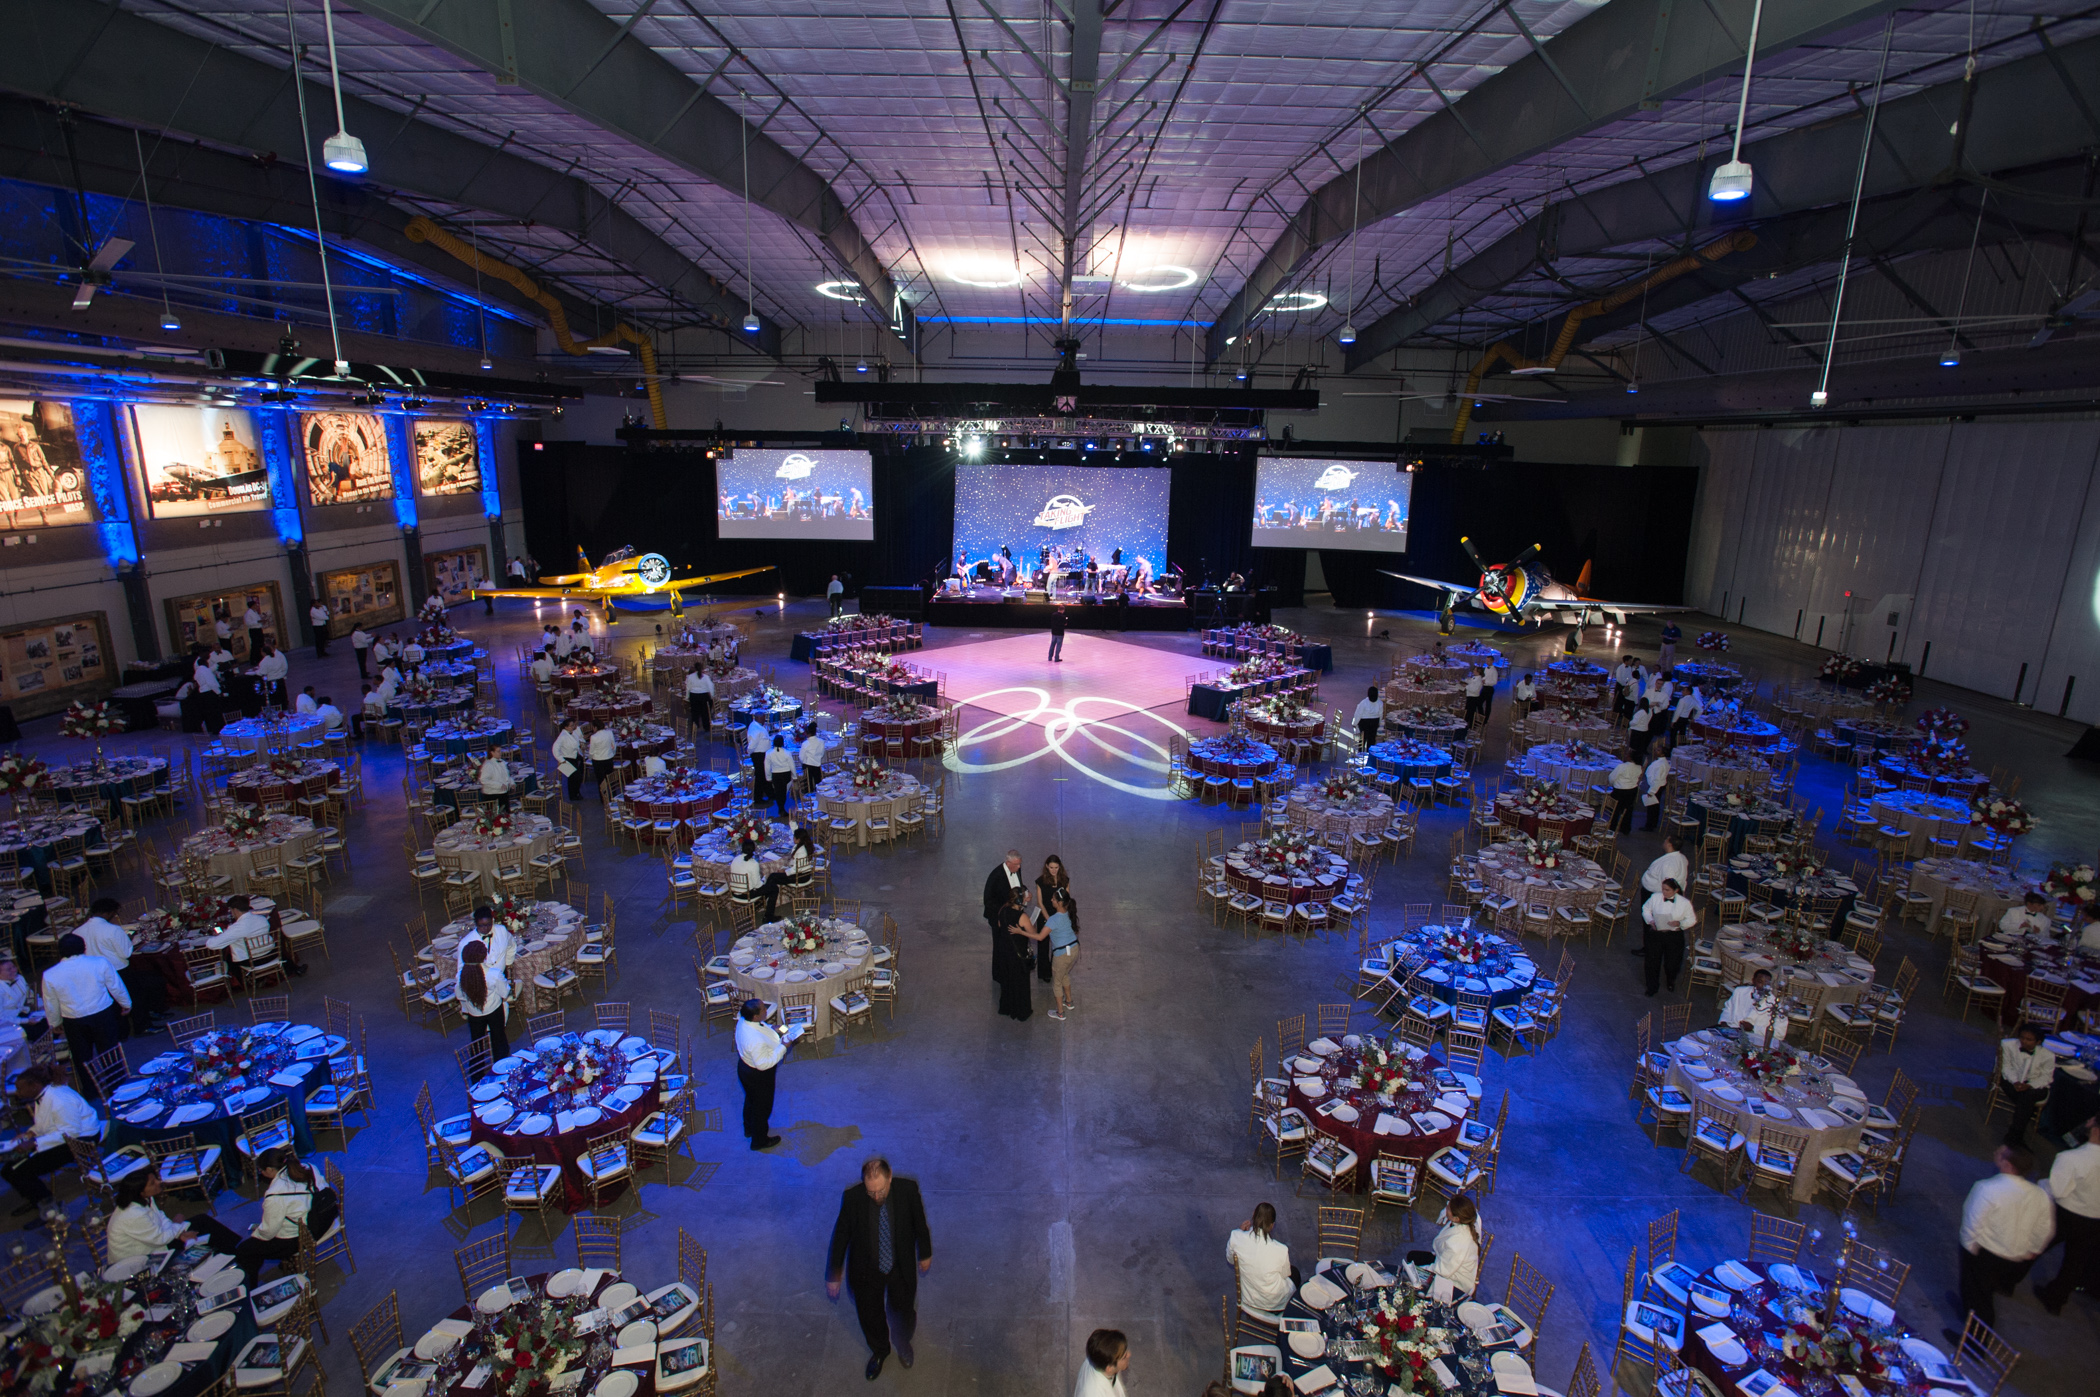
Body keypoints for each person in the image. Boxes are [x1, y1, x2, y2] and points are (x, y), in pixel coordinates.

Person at [825, 1157, 933, 1379]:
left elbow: (919, 1223)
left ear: (890, 1177)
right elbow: (841, 1236)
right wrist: (833, 1272)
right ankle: (880, 1350)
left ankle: (902, 1344)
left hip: (899, 1267)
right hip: (866, 1271)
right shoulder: (853, 1198)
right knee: (870, 1315)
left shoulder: (908, 1190)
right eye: (871, 1192)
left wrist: (925, 1252)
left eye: (880, 1190)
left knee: (903, 1311)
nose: (876, 1196)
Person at [1948, 1145, 2054, 1338]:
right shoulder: (2039, 1195)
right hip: (2015, 1256)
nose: (1997, 1152)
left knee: (1980, 1298)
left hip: (1986, 1253)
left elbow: (1973, 1222)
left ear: (2007, 1164)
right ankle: (1969, 1316)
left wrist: (1969, 1248)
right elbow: (2044, 1228)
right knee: (1983, 1292)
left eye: (2002, 1153)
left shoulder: (1987, 1188)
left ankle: (1975, 1344)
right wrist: (2033, 1250)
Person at [2, 1065, 101, 1220]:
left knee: (19, 1171)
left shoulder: (59, 1098)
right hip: (62, 1137)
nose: (18, 1093)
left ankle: (49, 1208)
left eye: (20, 1089)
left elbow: (71, 1131)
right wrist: (31, 1132)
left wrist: (34, 1143)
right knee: (9, 1169)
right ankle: (36, 1198)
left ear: (34, 1086)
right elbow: (47, 1123)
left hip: (81, 1140)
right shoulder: (43, 1094)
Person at [39, 933, 129, 1092]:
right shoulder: (99, 962)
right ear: (84, 948)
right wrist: (125, 1003)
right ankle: (116, 1085)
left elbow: (51, 1002)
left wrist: (54, 1023)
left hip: (73, 1019)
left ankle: (91, 1089)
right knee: (109, 1051)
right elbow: (116, 986)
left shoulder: (50, 975)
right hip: (102, 1014)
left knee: (82, 1057)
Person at [233, 1147, 326, 1285]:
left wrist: (257, 1231)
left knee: (245, 1250)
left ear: (270, 1170)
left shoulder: (274, 1195)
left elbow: (268, 1233)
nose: (261, 1173)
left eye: (261, 1170)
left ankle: (249, 1289)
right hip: (322, 1219)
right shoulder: (308, 1167)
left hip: (298, 1238)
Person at [2037, 1114, 2100, 1313]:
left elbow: (2058, 1191)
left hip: (2067, 1213)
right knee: (2075, 1262)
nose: (2088, 1121)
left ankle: (2007, 1280)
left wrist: (2040, 1185)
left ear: (2096, 1129)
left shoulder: (2071, 1158)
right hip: (2095, 1218)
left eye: (2092, 1120)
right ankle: (2056, 1300)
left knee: (2038, 1244)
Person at [77, 897, 166, 1035]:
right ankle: (142, 1026)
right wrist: (130, 941)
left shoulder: (78, 932)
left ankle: (122, 1030)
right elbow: (125, 953)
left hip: (93, 972)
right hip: (118, 969)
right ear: (108, 913)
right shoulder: (113, 930)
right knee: (134, 996)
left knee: (112, 1001)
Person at [107, 1171, 240, 1262]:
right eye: (153, 1183)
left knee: (202, 1221)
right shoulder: (133, 1215)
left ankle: (234, 1251)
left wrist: (178, 1231)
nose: (159, 1182)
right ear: (141, 1192)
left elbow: (160, 1217)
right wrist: (177, 1227)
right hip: (144, 1258)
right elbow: (161, 1239)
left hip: (157, 1240)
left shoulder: (146, 1199)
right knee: (202, 1233)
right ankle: (231, 1255)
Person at [736, 999, 790, 1149]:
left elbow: (761, 1028)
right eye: (763, 1010)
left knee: (751, 1100)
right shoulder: (754, 1040)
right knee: (762, 1108)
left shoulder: (744, 1020)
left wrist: (774, 1029)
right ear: (755, 1016)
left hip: (745, 1068)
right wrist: (784, 1047)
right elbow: (764, 1063)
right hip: (758, 1076)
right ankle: (759, 1141)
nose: (766, 1010)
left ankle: (749, 1129)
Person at [1405, 1194, 1482, 1296]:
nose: (1445, 1208)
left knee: (1410, 1277)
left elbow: (1442, 1271)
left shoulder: (1458, 1243)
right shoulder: (1465, 1219)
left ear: (1456, 1218)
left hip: (1454, 1282)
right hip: (1447, 1262)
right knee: (1412, 1256)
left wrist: (1417, 1272)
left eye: (1448, 1208)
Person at [1227, 1202, 1295, 1316]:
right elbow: (1285, 1275)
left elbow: (1230, 1259)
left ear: (1253, 1215)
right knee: (1295, 1274)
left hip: (1248, 1298)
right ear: (1272, 1225)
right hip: (1274, 1302)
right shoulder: (1281, 1250)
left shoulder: (1236, 1236)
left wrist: (1240, 1231)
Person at [1630, 836, 1689, 956]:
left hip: (1655, 895)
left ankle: (1650, 950)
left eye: (1666, 840)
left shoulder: (1669, 864)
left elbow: (1667, 884)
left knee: (1651, 923)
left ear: (1669, 844)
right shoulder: (1681, 858)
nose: (1664, 841)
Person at [1999, 1024, 2056, 1146]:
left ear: (2038, 1042)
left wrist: (2030, 1085)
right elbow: (2006, 1067)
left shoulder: (2048, 1056)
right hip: (2011, 1080)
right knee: (2026, 1101)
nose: (2023, 1041)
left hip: (2034, 1085)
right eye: (2022, 1037)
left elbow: (2047, 1077)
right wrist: (2015, 1081)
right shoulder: (2008, 1045)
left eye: (2029, 1039)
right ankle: (2016, 1137)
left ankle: (2014, 1134)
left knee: (2027, 1097)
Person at [456, 939, 511, 1061]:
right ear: (484, 956)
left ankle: (477, 1072)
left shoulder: (461, 975)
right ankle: (500, 1064)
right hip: (494, 1011)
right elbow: (504, 992)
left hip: (474, 1014)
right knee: (498, 1038)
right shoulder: (494, 974)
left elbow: (459, 996)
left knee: (476, 1042)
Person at [1641, 878, 1697, 997]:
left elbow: (1692, 919)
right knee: (1652, 961)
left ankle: (1671, 980)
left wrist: (1680, 924)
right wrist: (1650, 920)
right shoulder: (1655, 897)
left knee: (1673, 962)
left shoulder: (1684, 903)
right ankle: (1652, 986)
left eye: (1667, 890)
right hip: (1656, 934)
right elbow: (1646, 909)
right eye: (1663, 889)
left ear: (1676, 890)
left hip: (1674, 935)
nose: (1664, 892)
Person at [984, 850, 1025, 984]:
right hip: (999, 918)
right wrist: (1004, 911)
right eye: (1016, 864)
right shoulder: (996, 876)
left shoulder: (1017, 869)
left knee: (1010, 944)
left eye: (1019, 864)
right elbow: (988, 900)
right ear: (1008, 863)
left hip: (1011, 914)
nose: (1019, 867)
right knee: (999, 946)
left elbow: (1018, 886)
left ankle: (1009, 970)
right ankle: (999, 974)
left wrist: (1025, 893)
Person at [995, 893, 1036, 1022]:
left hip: (1005, 952)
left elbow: (1000, 926)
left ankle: (1006, 1008)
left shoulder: (1003, 910)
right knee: (1020, 983)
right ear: (1019, 901)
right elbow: (1033, 933)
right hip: (1018, 955)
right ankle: (1022, 1011)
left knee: (1007, 982)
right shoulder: (1022, 916)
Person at [1032, 854, 1071, 987]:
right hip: (1045, 915)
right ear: (1047, 867)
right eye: (1051, 867)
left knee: (1058, 945)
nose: (1053, 870)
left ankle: (1056, 971)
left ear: (1060, 867)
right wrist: (1049, 919)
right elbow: (1040, 902)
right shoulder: (1040, 881)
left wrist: (1059, 918)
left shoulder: (1064, 880)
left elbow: (1066, 901)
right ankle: (1044, 973)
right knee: (1043, 945)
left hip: (1059, 916)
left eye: (1056, 868)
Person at [1041, 888, 1080, 1021]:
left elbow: (1040, 937)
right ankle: (1069, 1002)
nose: (1051, 900)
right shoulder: (1067, 914)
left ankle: (1060, 1012)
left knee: (1056, 982)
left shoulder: (1053, 919)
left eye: (1053, 899)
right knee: (1064, 975)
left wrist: (1021, 932)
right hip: (1074, 950)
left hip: (1061, 955)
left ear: (1058, 902)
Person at [1721, 969, 1786, 1042]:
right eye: (1760, 982)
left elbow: (1780, 1034)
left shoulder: (1774, 1003)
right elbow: (1728, 1008)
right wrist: (1724, 1022)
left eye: (1767, 984)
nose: (1763, 986)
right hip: (1732, 1031)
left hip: (1755, 1039)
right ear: (1753, 981)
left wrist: (1754, 1028)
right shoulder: (1739, 992)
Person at [1074, 1330, 1131, 1397]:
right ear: (1109, 1368)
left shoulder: (1098, 1357)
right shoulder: (1096, 1393)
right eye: (1124, 1357)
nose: (1129, 1354)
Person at [1608, 751, 1643, 834]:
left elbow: (1612, 778)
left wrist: (1613, 785)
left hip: (1620, 790)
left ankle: (1612, 828)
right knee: (1628, 810)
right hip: (1632, 790)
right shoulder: (1639, 767)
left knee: (1615, 810)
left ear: (1630, 757)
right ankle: (1625, 828)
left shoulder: (1622, 766)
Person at [764, 735, 797, 819]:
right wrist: (794, 776)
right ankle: (781, 808)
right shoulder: (787, 752)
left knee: (779, 792)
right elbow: (792, 765)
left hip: (776, 775)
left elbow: (767, 766)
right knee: (783, 792)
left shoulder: (769, 753)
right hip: (786, 775)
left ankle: (781, 808)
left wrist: (768, 777)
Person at [550, 719, 583, 801]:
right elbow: (555, 749)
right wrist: (561, 760)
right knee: (574, 777)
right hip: (566, 759)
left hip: (574, 756)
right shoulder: (562, 737)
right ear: (566, 727)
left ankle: (576, 793)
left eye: (573, 725)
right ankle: (573, 795)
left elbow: (578, 742)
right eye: (571, 726)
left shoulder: (573, 733)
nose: (573, 727)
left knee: (576, 777)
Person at [1641, 744, 1672, 832]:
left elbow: (1657, 779)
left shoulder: (1661, 764)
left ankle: (1649, 825)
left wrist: (1651, 791)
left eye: (1658, 750)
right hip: (1657, 785)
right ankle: (1653, 823)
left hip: (1656, 786)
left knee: (1652, 807)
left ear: (1662, 754)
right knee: (1654, 806)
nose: (1655, 751)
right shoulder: (1661, 762)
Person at [686, 664, 714, 739]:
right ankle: (706, 727)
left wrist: (687, 697)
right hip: (704, 696)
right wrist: (712, 696)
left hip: (693, 696)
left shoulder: (690, 677)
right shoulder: (706, 677)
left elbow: (688, 687)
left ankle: (694, 728)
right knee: (705, 713)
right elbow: (710, 687)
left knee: (694, 713)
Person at [746, 717, 772, 798]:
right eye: (763, 718)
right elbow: (752, 744)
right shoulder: (756, 730)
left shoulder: (756, 725)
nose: (764, 720)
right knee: (760, 775)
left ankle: (768, 792)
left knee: (763, 774)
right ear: (759, 719)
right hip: (759, 755)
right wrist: (748, 752)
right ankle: (758, 797)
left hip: (761, 754)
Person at [1354, 685, 1385, 751]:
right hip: (1374, 722)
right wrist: (1378, 723)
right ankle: (1370, 754)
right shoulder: (1380, 703)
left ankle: (1360, 753)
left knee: (1362, 739)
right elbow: (1381, 714)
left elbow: (1358, 714)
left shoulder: (1363, 703)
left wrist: (1355, 723)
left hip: (1364, 723)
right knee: (1372, 740)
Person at [587, 723, 617, 790]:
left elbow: (591, 751)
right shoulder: (609, 733)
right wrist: (612, 754)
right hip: (608, 758)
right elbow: (614, 745)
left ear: (595, 727)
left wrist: (590, 758)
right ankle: (613, 794)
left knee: (601, 780)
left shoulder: (593, 737)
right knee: (610, 777)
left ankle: (604, 797)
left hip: (598, 760)